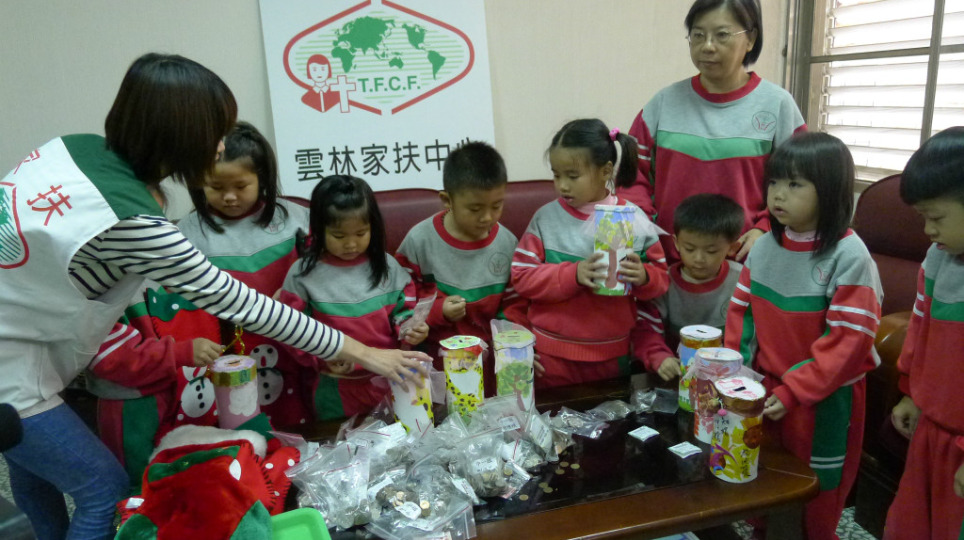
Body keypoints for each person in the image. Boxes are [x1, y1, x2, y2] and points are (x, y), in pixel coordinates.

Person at [0, 52, 427, 540]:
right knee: (101, 489)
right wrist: (366, 352)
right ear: (183, 134)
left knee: (34, 474)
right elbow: (243, 304)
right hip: (13, 373)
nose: (222, 144)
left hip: (23, 343)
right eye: (215, 132)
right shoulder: (134, 224)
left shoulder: (73, 148)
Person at [724, 132, 882, 540]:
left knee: (815, 487)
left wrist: (796, 390)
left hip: (823, 398)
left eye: (795, 184)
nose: (778, 194)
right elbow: (742, 316)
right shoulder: (764, 247)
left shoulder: (849, 256)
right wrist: (738, 378)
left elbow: (849, 342)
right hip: (766, 389)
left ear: (829, 190)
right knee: (766, 473)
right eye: (775, 182)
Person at [619, 0, 806, 264]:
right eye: (698, 35)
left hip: (746, 266)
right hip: (668, 267)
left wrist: (765, 227)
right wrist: (645, 233)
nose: (707, 46)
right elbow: (631, 176)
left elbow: (801, 182)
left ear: (751, 39)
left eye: (721, 35)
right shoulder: (663, 103)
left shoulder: (777, 105)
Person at [511, 119, 668, 389]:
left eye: (573, 176)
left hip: (612, 355)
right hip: (552, 355)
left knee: (611, 415)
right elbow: (521, 276)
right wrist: (573, 274)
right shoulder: (546, 219)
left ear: (606, 170)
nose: (562, 185)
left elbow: (661, 281)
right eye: (556, 175)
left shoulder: (632, 218)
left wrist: (644, 277)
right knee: (554, 414)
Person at [178, 121, 315, 427]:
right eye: (216, 188)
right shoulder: (186, 235)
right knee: (238, 420)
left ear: (262, 178)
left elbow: (325, 270)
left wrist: (296, 293)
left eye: (240, 187)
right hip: (224, 350)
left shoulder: (295, 219)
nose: (229, 197)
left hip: (292, 340)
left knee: (296, 420)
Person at [279, 175, 429, 420]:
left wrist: (411, 329)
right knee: (338, 438)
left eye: (361, 233)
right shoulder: (302, 274)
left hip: (389, 377)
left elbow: (403, 312)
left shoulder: (387, 266)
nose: (351, 244)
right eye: (339, 236)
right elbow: (291, 330)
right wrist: (322, 358)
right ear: (319, 229)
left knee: (397, 435)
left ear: (373, 227)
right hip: (334, 386)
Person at [883, 127, 964, 540]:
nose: (928, 230)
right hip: (931, 428)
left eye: (937, 218)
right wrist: (911, 392)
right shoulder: (937, 259)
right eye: (922, 218)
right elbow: (919, 330)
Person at [395, 141, 524, 370]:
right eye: (475, 209)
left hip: (492, 358)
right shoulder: (420, 240)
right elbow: (400, 304)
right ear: (447, 200)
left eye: (496, 206)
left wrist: (510, 346)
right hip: (434, 360)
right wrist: (437, 312)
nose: (487, 217)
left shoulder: (507, 242)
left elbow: (515, 304)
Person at [635, 193, 744, 381]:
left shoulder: (742, 280)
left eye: (711, 251)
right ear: (676, 243)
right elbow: (646, 329)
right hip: (676, 376)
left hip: (728, 379)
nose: (699, 259)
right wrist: (659, 357)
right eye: (690, 249)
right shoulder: (663, 283)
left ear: (732, 248)